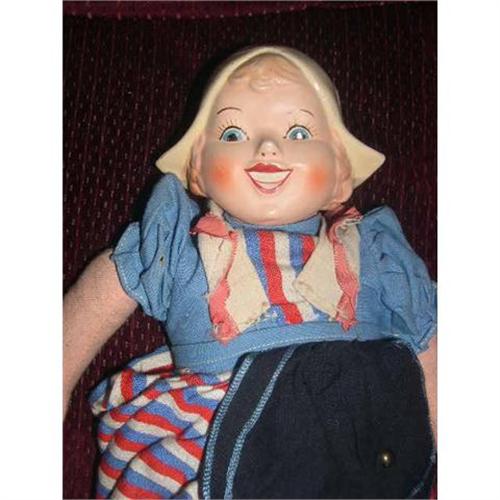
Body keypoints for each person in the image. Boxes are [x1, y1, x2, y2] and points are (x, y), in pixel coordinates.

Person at [64, 46, 437, 499]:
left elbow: (428, 349)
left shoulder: (376, 255)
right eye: (234, 133)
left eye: (298, 132)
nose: (267, 147)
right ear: (197, 169)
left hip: (350, 437)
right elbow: (99, 298)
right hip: (213, 433)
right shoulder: (178, 245)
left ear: (341, 173)